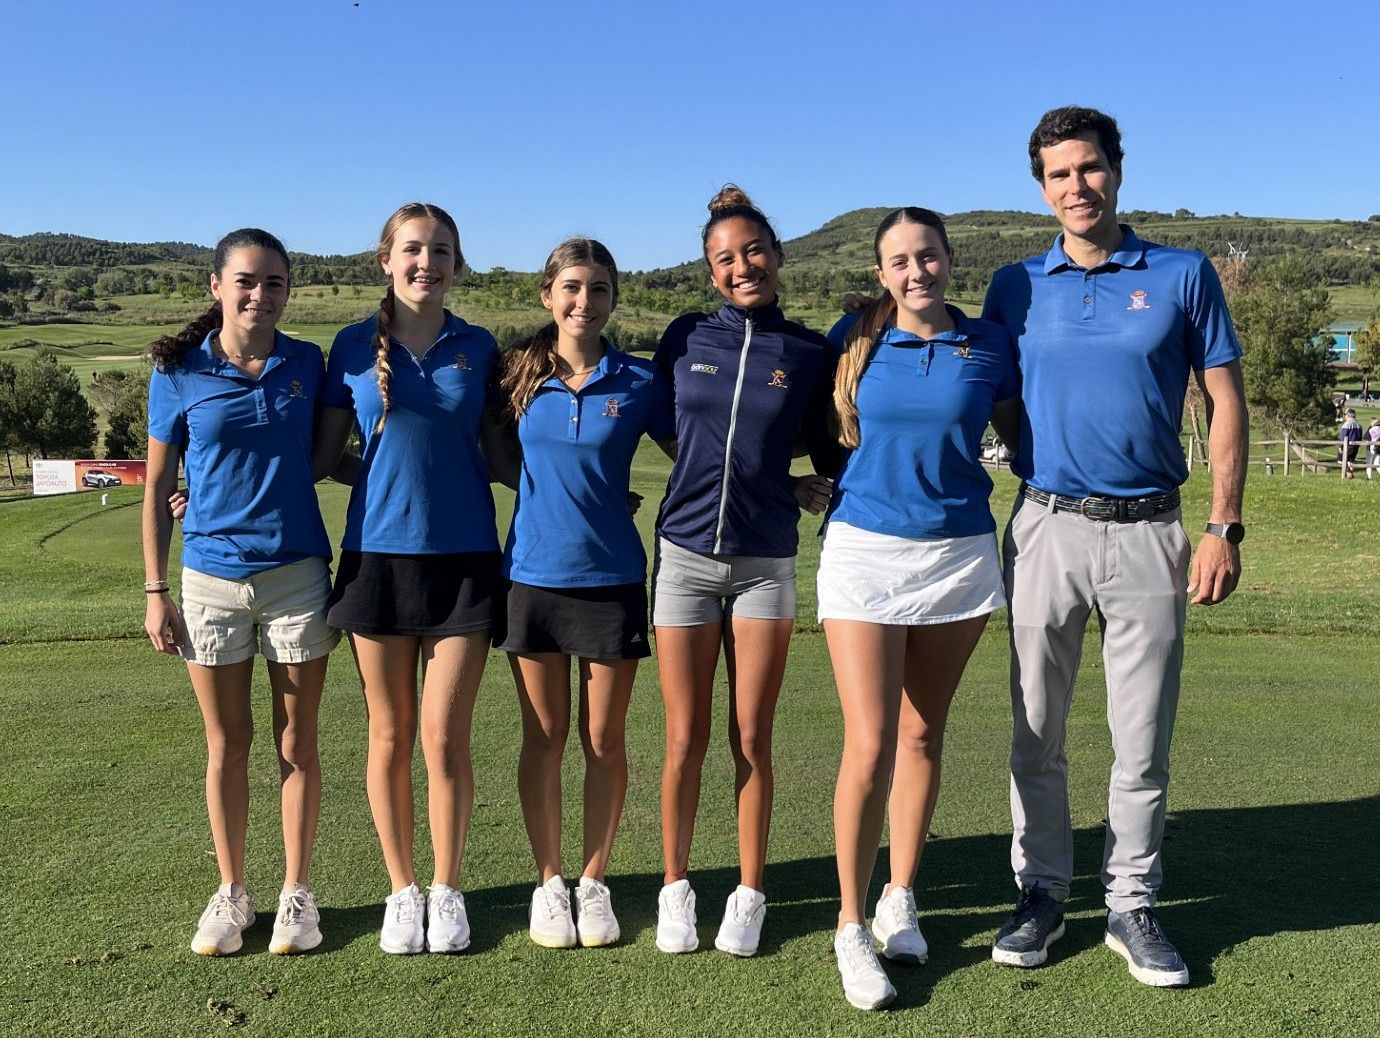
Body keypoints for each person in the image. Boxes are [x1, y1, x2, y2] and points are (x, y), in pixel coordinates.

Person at [983, 106, 1248, 987]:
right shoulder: (1014, 285)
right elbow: (996, 396)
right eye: (1059, 174)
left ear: (1117, 170)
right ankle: (1042, 894)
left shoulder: (1182, 273)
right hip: (1045, 526)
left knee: (1141, 740)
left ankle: (1131, 904)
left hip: (1152, 532)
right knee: (1036, 732)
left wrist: (1222, 525)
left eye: (1090, 167)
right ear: (1042, 189)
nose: (1078, 186)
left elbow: (1225, 399)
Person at [822, 208, 1020, 1010]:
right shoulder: (855, 339)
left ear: (949, 259)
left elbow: (1022, 435)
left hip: (958, 556)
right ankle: (849, 925)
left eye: (928, 255)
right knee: (870, 741)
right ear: (881, 273)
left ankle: (900, 895)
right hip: (864, 553)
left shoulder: (990, 345)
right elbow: (810, 427)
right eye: (900, 261)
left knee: (921, 732)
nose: (917, 271)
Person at [651, 185, 838, 957]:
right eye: (725, 259)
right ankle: (675, 888)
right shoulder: (686, 336)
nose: (742, 267)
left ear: (778, 255)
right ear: (710, 271)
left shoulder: (807, 351)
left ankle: (750, 892)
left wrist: (786, 485)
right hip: (683, 560)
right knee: (684, 738)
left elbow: (828, 446)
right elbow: (666, 425)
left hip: (765, 564)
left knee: (752, 737)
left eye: (754, 250)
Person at [142, 228, 338, 957]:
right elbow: (158, 485)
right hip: (209, 579)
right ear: (217, 286)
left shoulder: (307, 362)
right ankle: (231, 891)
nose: (260, 295)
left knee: (297, 743)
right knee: (227, 744)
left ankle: (296, 894)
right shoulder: (178, 370)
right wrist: (155, 588)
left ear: (288, 291)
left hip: (297, 576)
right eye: (247, 281)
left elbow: (322, 456)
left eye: (274, 283)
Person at [313, 202, 500, 955]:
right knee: (389, 736)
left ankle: (447, 890)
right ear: (387, 259)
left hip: (465, 561)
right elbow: (322, 456)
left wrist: (591, 491)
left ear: (457, 264)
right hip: (376, 560)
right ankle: (403, 890)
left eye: (441, 251)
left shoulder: (479, 347)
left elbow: (502, 453)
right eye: (414, 249)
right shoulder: (351, 346)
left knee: (444, 737)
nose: (428, 263)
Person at [495, 239, 676, 948]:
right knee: (543, 740)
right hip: (532, 576)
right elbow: (477, 445)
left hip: (611, 579)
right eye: (571, 287)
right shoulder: (515, 373)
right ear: (548, 295)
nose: (584, 301)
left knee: (603, 739)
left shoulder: (639, 380)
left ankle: (593, 881)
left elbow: (701, 451)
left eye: (599, 289)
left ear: (613, 299)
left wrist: (783, 481)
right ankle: (549, 882)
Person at [1339, 408, 1362, 478]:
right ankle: (1349, 475)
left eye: (1345, 414)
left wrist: (1340, 446)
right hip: (1356, 446)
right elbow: (1360, 436)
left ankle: (1349, 474)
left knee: (1341, 460)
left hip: (1347, 446)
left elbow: (1343, 436)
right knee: (1350, 461)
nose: (1344, 416)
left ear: (1348, 415)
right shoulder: (1359, 424)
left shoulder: (1347, 424)